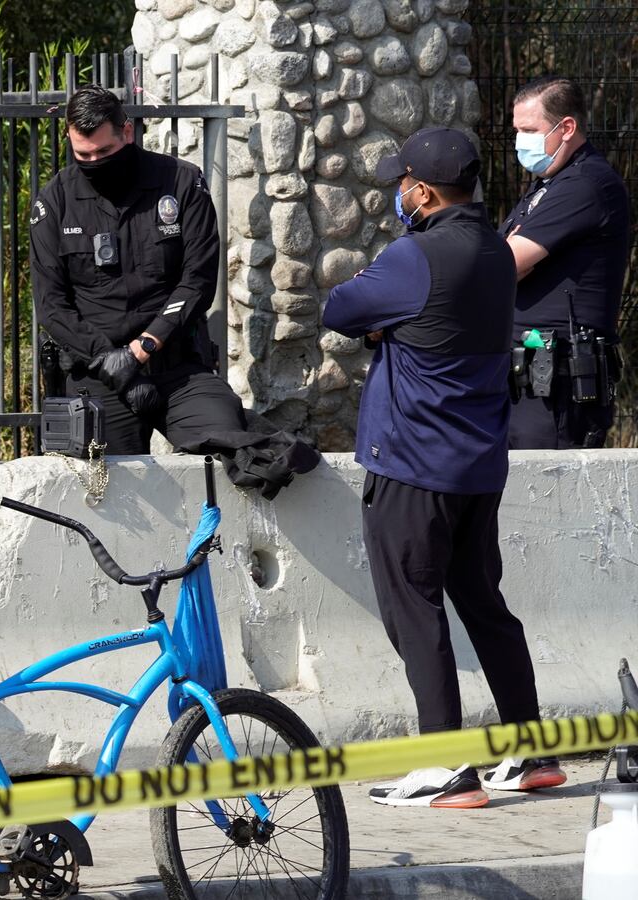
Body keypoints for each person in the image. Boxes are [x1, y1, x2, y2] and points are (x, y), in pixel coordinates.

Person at [323, 127, 564, 809]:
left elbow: (339, 308)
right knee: (485, 606)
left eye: (402, 182)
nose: (398, 193)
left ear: (421, 191)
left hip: (411, 465)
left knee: (415, 609)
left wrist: (385, 320)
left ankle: (443, 764)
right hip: (478, 467)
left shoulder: (414, 256)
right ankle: (528, 750)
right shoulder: (493, 250)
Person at [30, 84, 247, 454]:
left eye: (105, 151)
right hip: (99, 373)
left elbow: (197, 280)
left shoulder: (181, 183)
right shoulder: (56, 200)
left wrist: (143, 348)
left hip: (176, 366)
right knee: (103, 494)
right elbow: (51, 304)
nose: (95, 162)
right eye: (84, 154)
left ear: (127, 132)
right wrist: (109, 360)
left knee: (231, 449)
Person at [500, 76, 631, 449]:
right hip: (527, 381)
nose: (519, 141)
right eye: (517, 130)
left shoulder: (585, 185)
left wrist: (507, 256)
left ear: (567, 127)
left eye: (529, 130)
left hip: (556, 387)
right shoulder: (545, 185)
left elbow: (507, 262)